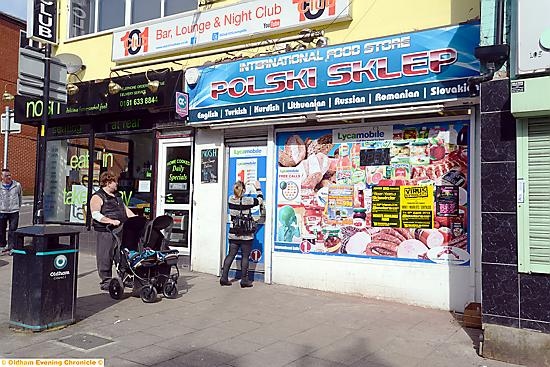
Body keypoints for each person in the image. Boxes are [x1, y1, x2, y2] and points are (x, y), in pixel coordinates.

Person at [90, 171, 136, 291]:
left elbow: (125, 210)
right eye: (115, 182)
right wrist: (110, 221)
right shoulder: (97, 196)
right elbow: (95, 214)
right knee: (105, 255)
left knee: (122, 255)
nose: (117, 184)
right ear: (108, 182)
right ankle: (106, 281)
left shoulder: (118, 196)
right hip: (106, 231)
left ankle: (126, 278)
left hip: (121, 229)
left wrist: (136, 219)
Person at [220, 180, 263, 288]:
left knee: (230, 255)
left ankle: (224, 278)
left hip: (234, 234)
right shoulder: (247, 200)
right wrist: (258, 188)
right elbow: (260, 200)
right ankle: (244, 281)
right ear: (243, 190)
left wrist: (243, 185)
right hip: (246, 235)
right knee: (245, 257)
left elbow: (238, 196)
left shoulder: (231, 199)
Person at [0, 169, 22, 255]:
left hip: (14, 211)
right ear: (2, 177)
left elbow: (20, 196)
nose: (9, 177)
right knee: (1, 230)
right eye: (6, 176)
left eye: (9, 175)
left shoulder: (17, 185)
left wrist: (18, 206)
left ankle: (11, 247)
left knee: (13, 230)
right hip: (2, 210)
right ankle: (2, 246)